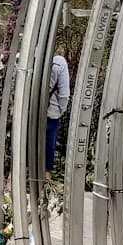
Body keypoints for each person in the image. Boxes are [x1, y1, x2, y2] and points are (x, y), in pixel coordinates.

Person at [45, 51, 71, 179]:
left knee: (23, 146)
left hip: (26, 113)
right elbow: (64, 94)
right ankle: (45, 186)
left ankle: (11, 183)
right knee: (48, 149)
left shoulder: (22, 58)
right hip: (51, 113)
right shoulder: (59, 62)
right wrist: (60, 111)